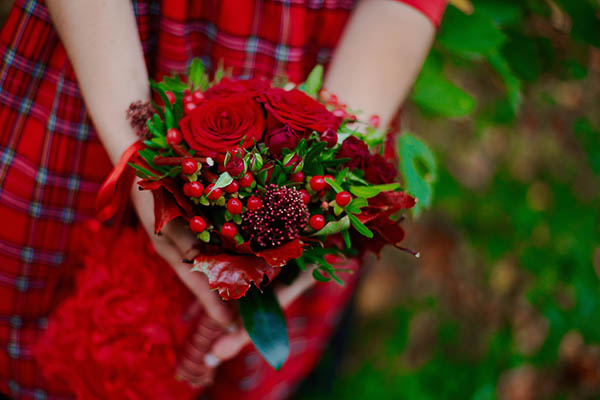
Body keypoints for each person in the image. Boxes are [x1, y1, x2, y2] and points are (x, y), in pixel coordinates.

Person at [0, 0, 445, 398]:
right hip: (109, 61)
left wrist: (326, 179)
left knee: (246, 346)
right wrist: (133, 153)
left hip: (340, 73)